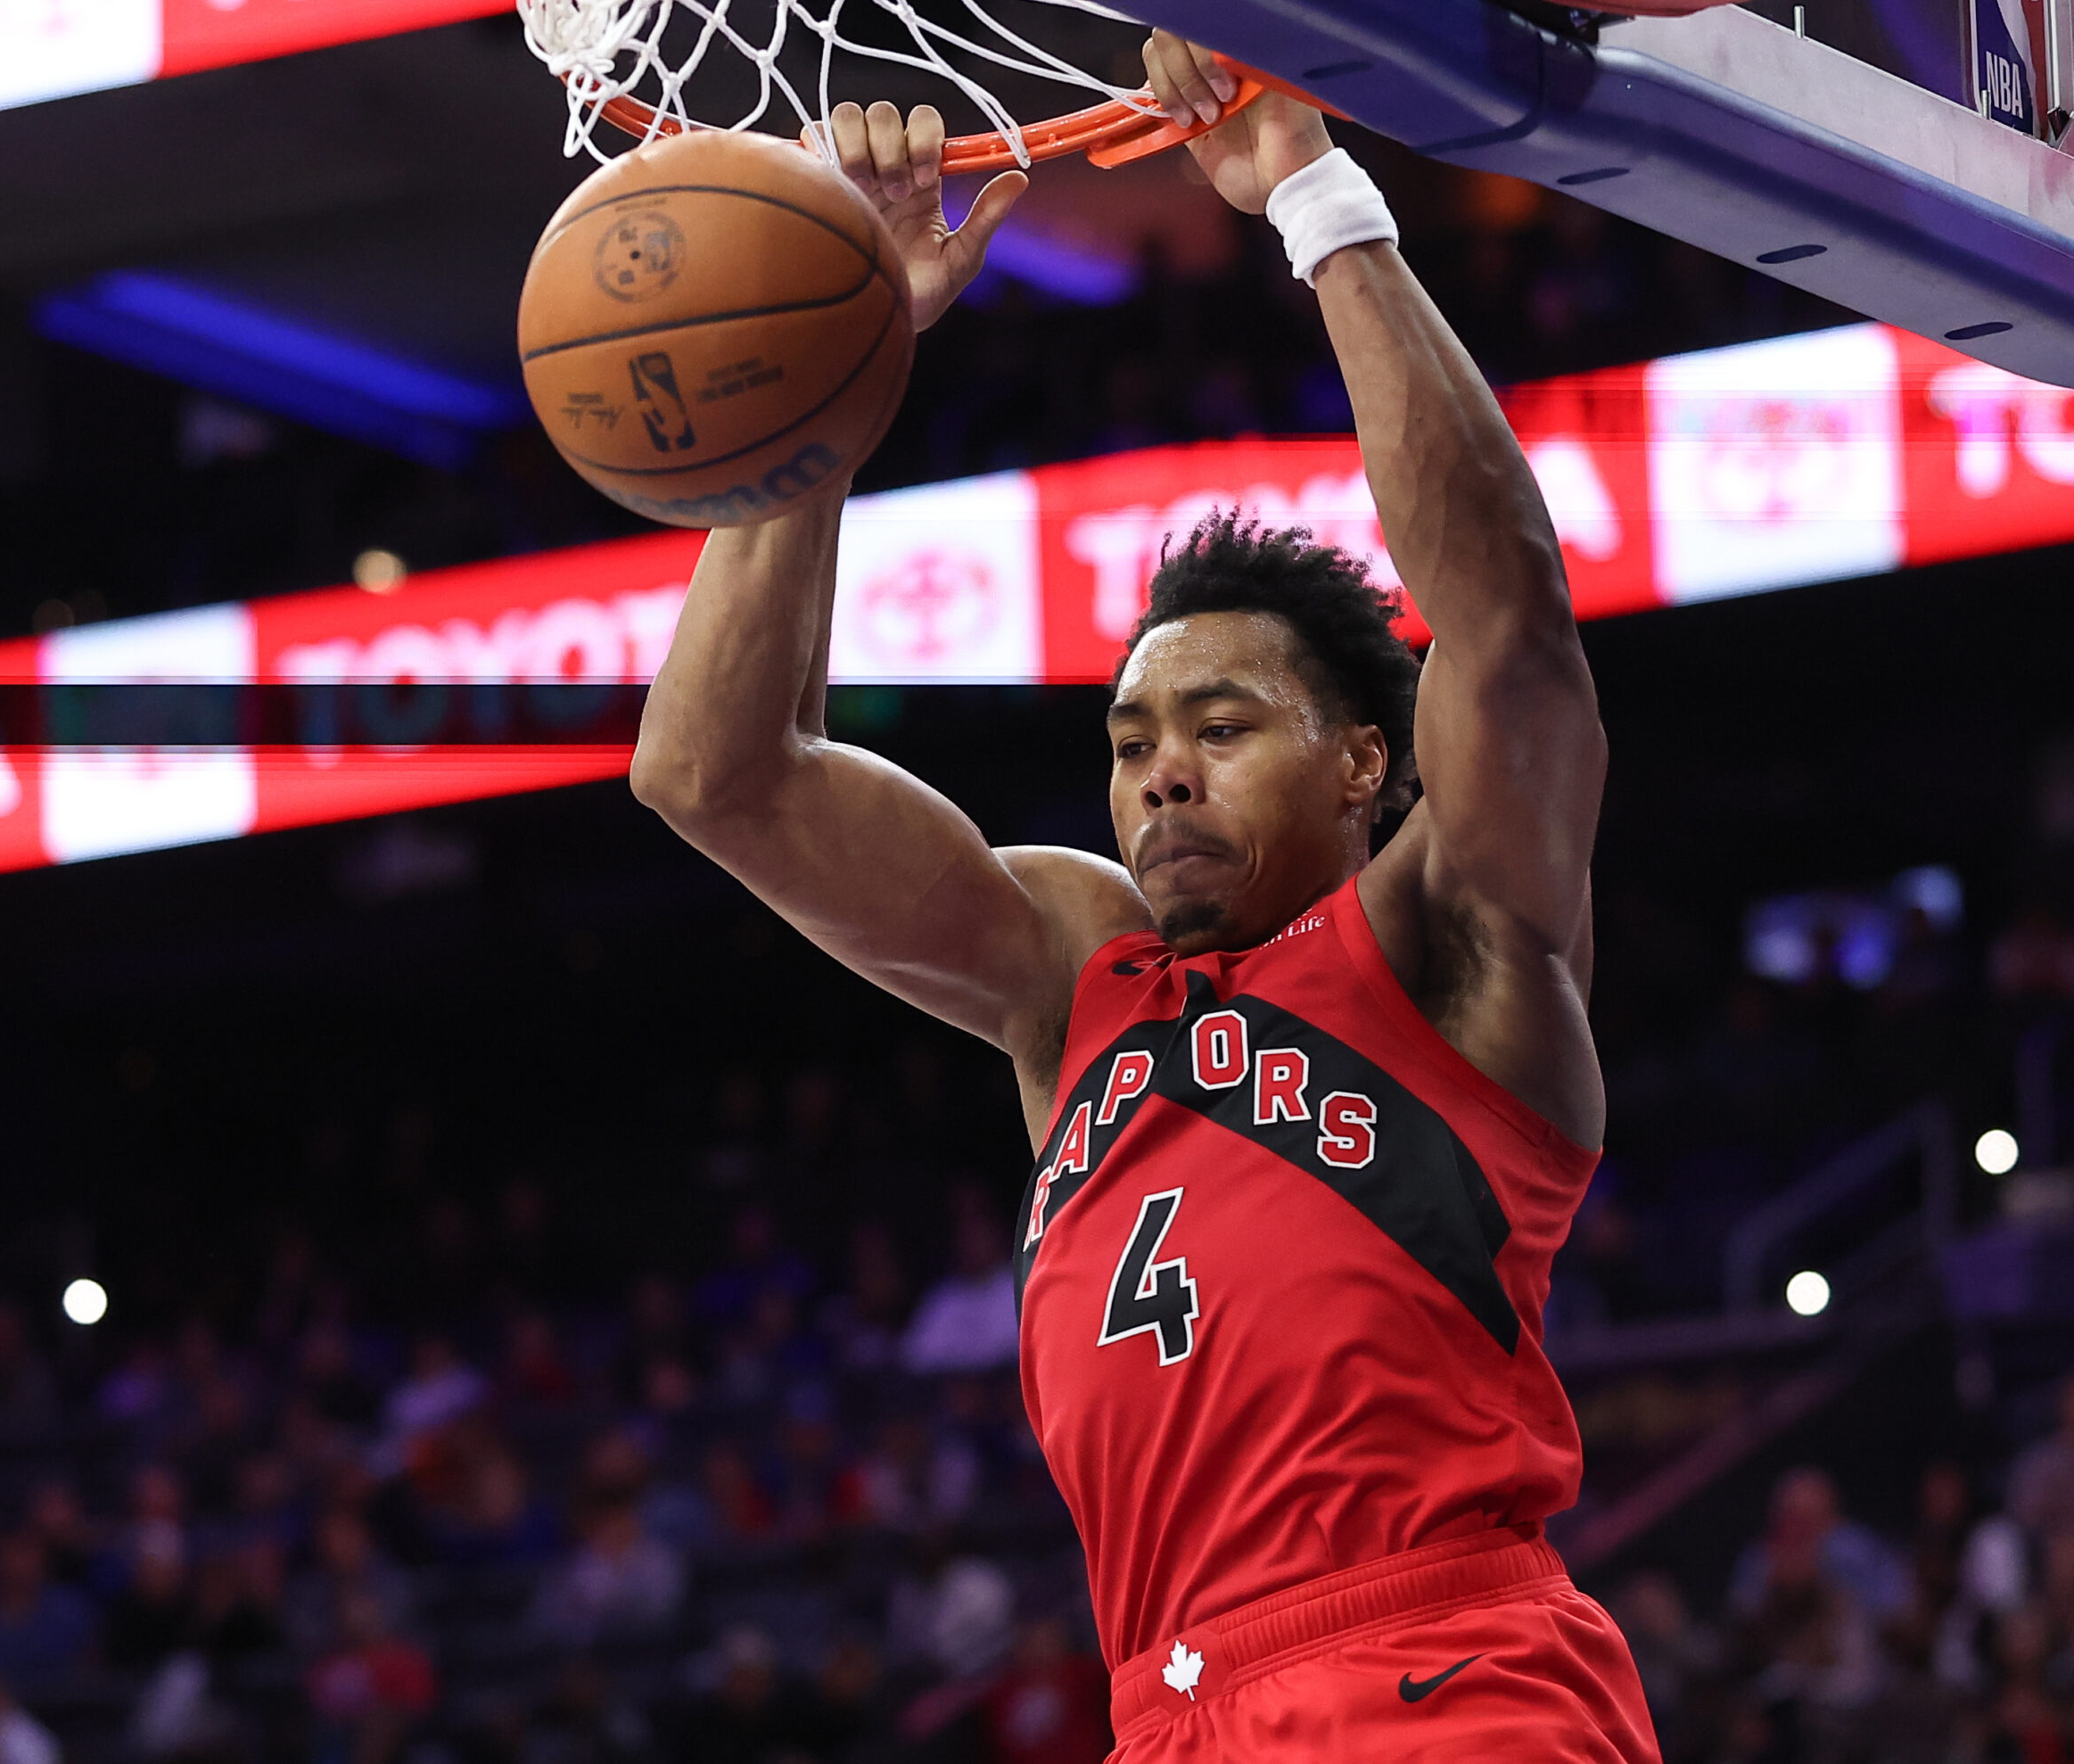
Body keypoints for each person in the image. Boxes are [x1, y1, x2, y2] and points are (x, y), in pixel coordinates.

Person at [631, 35, 1649, 1764]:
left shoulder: (1448, 935)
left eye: (1221, 727)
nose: (1161, 772)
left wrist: (1312, 194)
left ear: (1363, 763)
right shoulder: (1073, 977)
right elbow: (714, 773)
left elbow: (1506, 628)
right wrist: (842, 353)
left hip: (1433, 1671)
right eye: (1129, 742)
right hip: (1165, 1711)